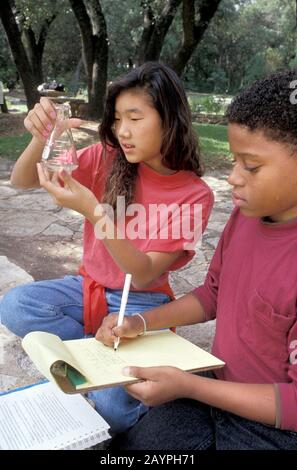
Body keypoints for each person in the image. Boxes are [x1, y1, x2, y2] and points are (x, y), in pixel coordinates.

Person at [0, 62, 214, 433]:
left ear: (170, 119)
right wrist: (43, 136)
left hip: (142, 302)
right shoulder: (107, 158)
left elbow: (144, 271)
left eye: (135, 117)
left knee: (114, 410)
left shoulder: (194, 195)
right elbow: (21, 180)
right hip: (88, 288)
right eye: (117, 119)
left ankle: (105, 361)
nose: (123, 131)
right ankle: (99, 352)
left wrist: (95, 212)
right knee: (15, 305)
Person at [96, 69, 297, 450]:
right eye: (234, 160)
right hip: (215, 389)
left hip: (274, 428)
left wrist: (190, 385)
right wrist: (140, 322)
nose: (233, 178)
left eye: (250, 166)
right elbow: (212, 295)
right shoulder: (245, 217)